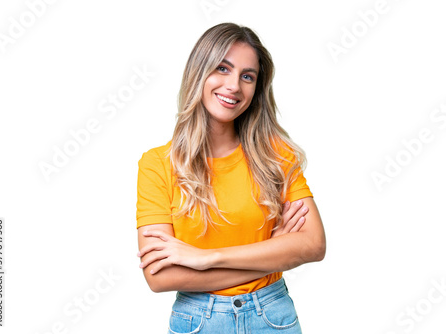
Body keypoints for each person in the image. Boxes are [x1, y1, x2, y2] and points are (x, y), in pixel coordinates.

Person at [136, 22, 326, 333]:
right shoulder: (158, 164)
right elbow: (160, 277)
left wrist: (206, 259)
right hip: (198, 321)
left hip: (273, 317)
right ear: (199, 72)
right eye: (222, 69)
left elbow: (314, 245)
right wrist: (272, 255)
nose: (234, 86)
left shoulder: (276, 155)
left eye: (247, 76)